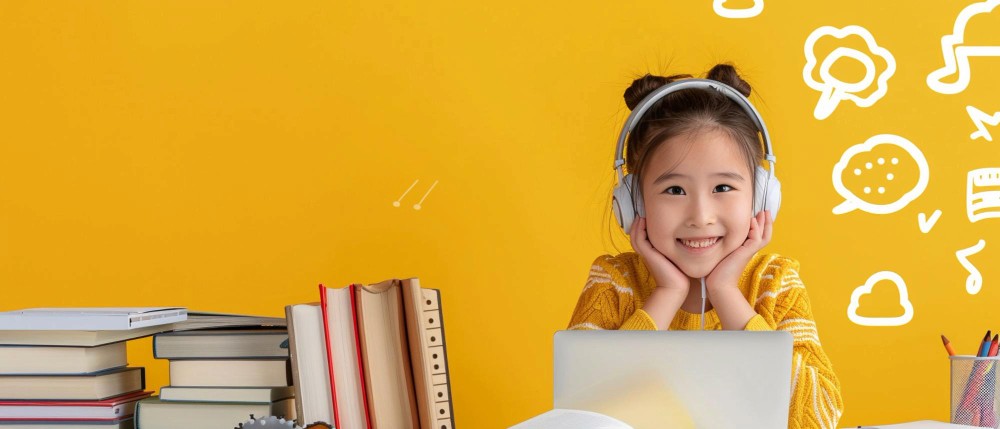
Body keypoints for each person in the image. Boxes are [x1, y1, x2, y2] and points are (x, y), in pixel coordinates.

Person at [567, 63, 844, 429]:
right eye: (675, 190)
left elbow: (818, 415)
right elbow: (583, 415)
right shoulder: (613, 281)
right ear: (634, 202)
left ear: (761, 198)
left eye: (723, 188)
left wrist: (726, 293)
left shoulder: (775, 283)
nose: (701, 216)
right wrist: (666, 294)